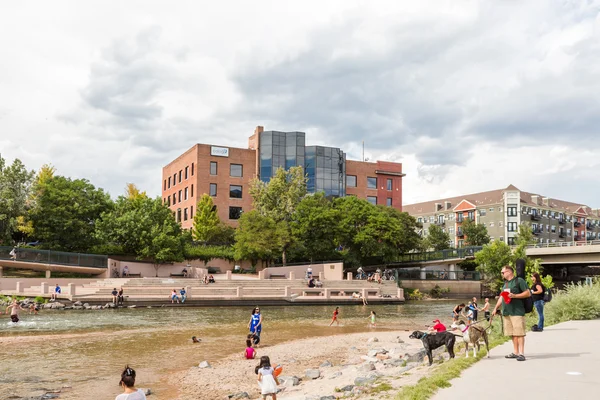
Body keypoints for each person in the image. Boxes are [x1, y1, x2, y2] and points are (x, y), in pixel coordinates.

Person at [491, 265, 531, 362]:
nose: (502, 274)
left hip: (517, 312)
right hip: (507, 312)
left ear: (509, 272)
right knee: (512, 333)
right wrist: (495, 308)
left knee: (520, 333)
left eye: (503, 272)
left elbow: (528, 293)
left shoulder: (519, 281)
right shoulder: (505, 284)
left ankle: (521, 353)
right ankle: (515, 352)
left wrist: (515, 296)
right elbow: (502, 297)